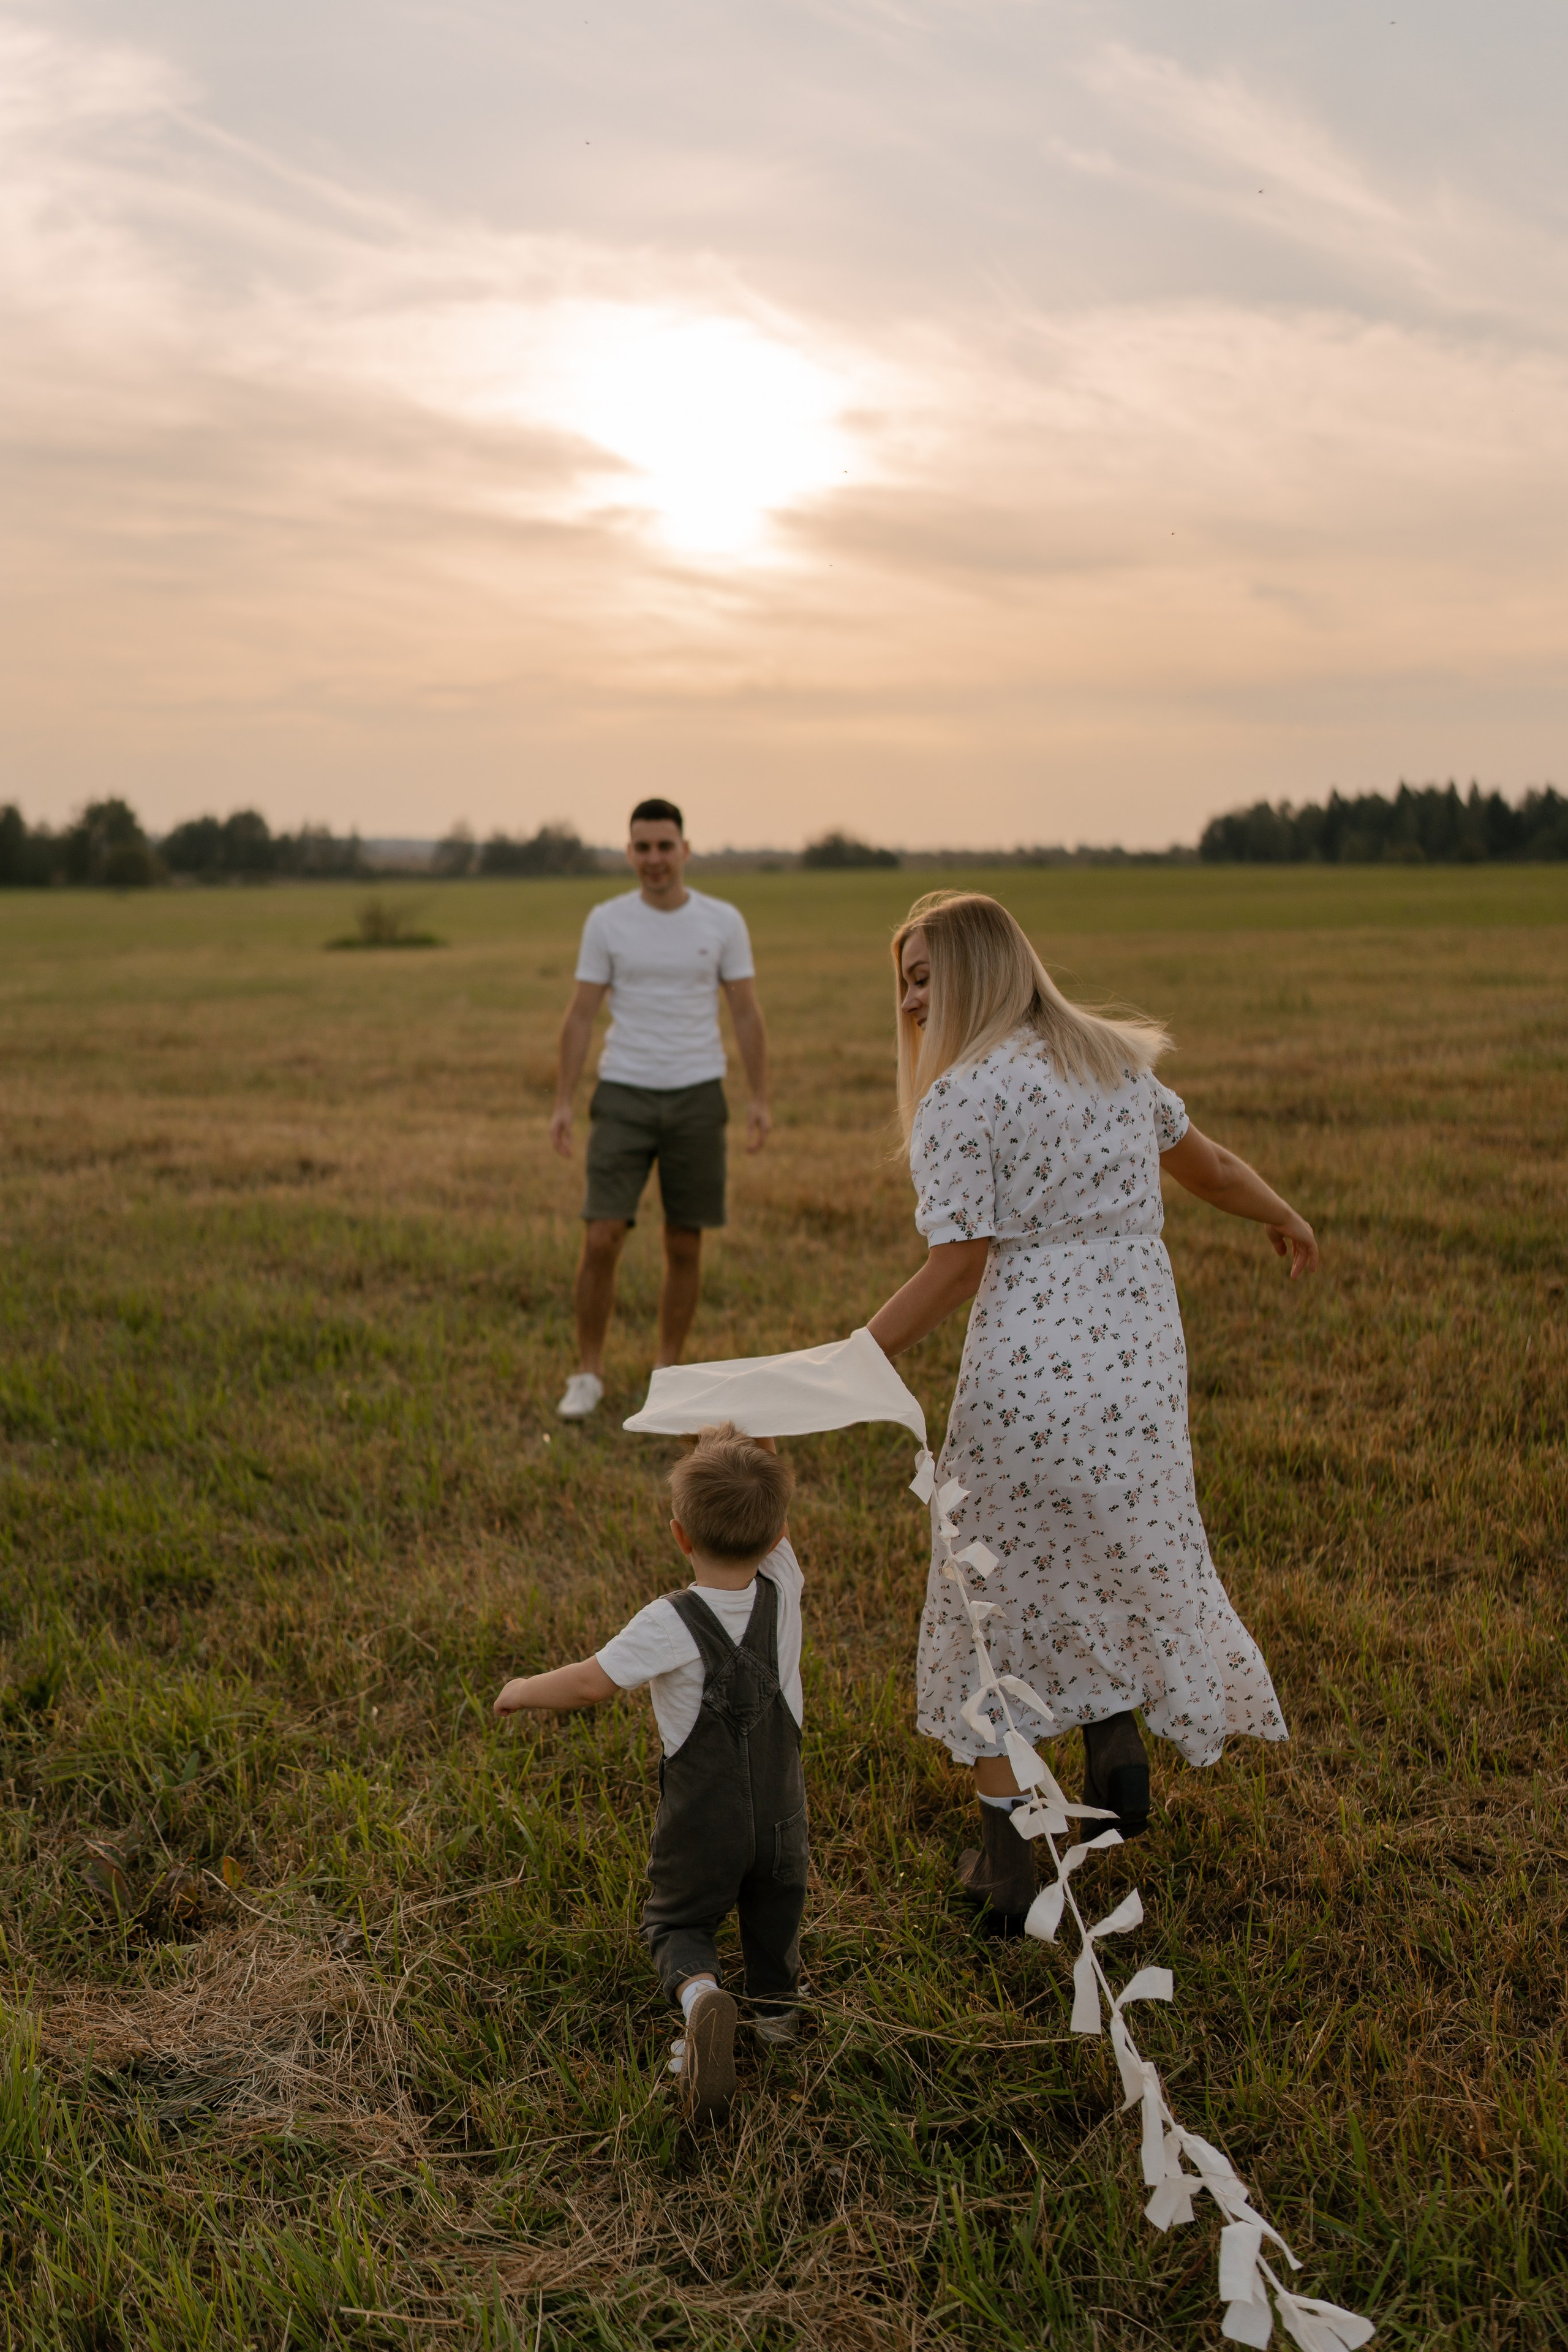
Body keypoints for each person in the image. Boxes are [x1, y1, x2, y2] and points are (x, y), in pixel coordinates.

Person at [865, 891, 1318, 1933]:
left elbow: (958, 1265)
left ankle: (1010, 1854)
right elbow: (1211, 1168)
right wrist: (1284, 1212)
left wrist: (858, 1352)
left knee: (988, 1602)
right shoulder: (1114, 1064)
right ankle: (1113, 1732)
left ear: (982, 970)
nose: (912, 1000)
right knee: (1109, 1543)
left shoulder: (963, 1097)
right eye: (902, 982)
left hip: (1029, 1369)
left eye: (927, 976)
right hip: (1140, 1370)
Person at [492, 1423, 805, 2124]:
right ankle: (778, 2024)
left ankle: (700, 1999)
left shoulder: (670, 1621)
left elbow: (589, 1685)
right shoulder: (784, 1585)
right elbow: (771, 1519)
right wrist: (757, 1446)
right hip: (785, 1817)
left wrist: (520, 1687)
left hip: (703, 1823)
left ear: (679, 1536)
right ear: (779, 1529)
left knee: (676, 1920)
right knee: (774, 1911)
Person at [549, 800, 771, 1420]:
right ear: (629, 853)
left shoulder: (722, 921)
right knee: (602, 1236)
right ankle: (588, 1373)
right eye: (641, 848)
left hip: (699, 1093)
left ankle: (666, 1374)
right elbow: (581, 1014)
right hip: (623, 1091)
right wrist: (564, 1102)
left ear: (685, 850)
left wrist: (758, 1099)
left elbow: (747, 1013)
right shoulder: (607, 922)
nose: (653, 860)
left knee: (684, 1242)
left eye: (664, 847)